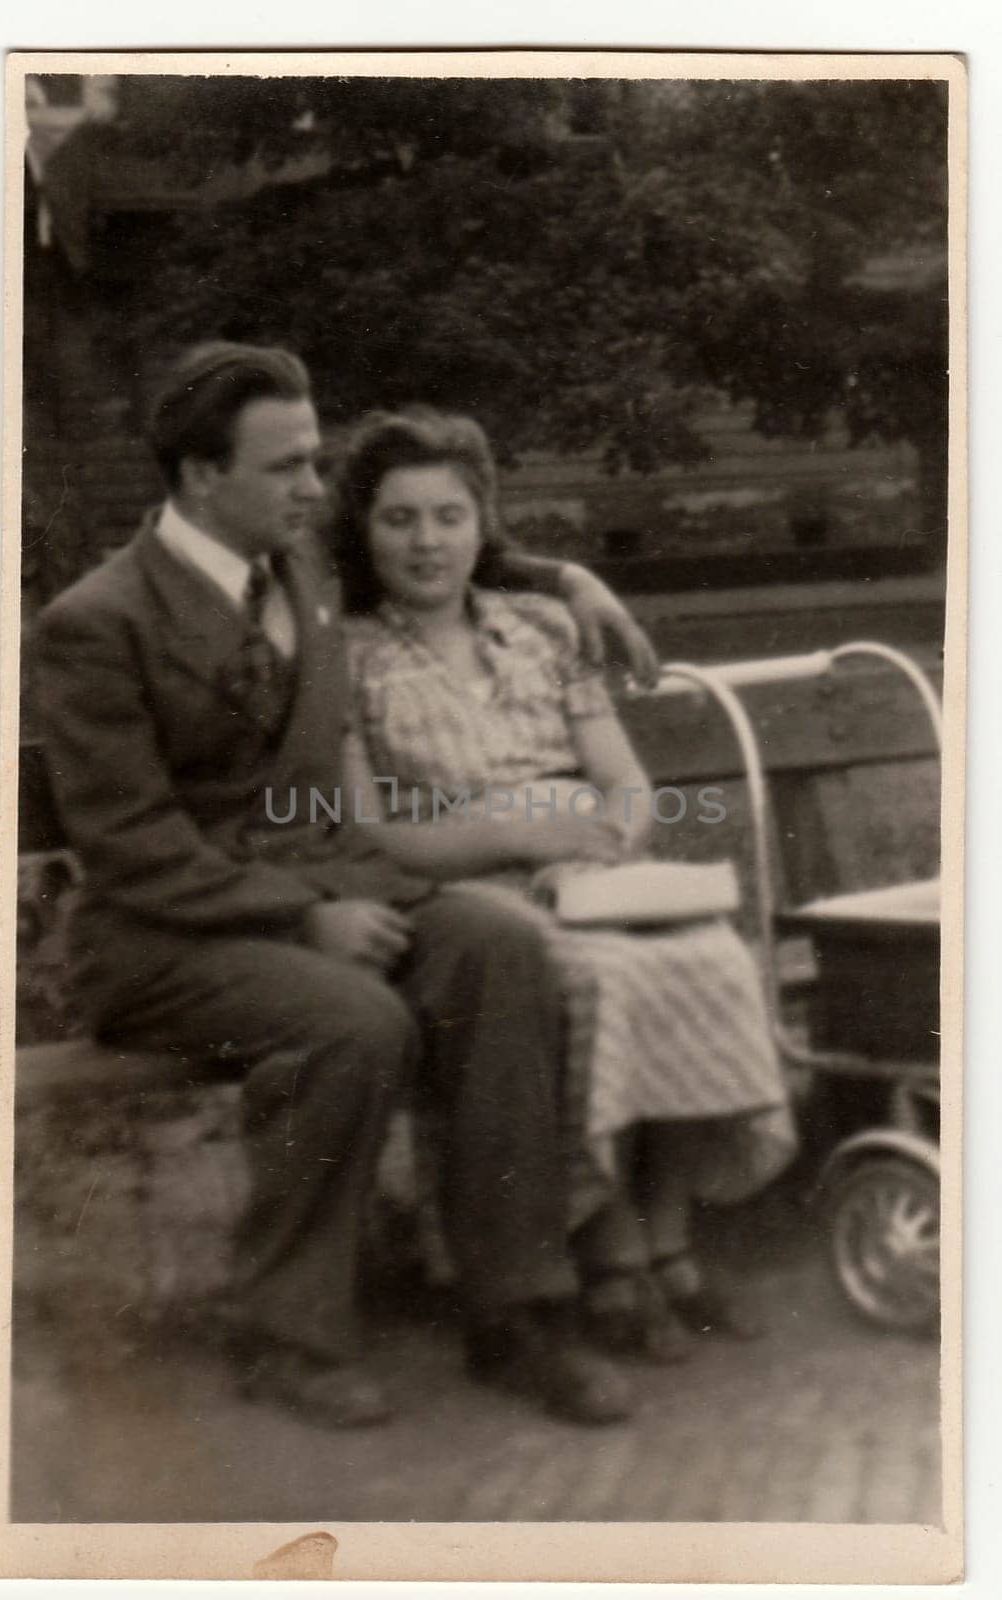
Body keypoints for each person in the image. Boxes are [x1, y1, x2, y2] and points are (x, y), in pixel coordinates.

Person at [36, 342, 659, 1428]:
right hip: (161, 937)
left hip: (324, 889)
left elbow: (460, 546)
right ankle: (287, 1332)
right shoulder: (101, 621)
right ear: (199, 476)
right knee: (355, 1017)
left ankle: (513, 1309)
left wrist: (569, 578)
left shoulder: (301, 564)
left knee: (496, 946)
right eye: (288, 468)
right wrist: (302, 915)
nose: (318, 490)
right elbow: (129, 844)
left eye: (318, 465)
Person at [333, 406, 797, 1363]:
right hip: (467, 900)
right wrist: (504, 831)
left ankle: (671, 1246)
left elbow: (625, 784)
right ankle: (611, 1253)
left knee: (707, 958)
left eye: (449, 516)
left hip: (588, 877)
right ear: (363, 529)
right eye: (399, 519)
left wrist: (606, 846)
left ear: (482, 522)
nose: (427, 542)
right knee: (593, 984)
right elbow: (368, 827)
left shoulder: (544, 627)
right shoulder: (345, 655)